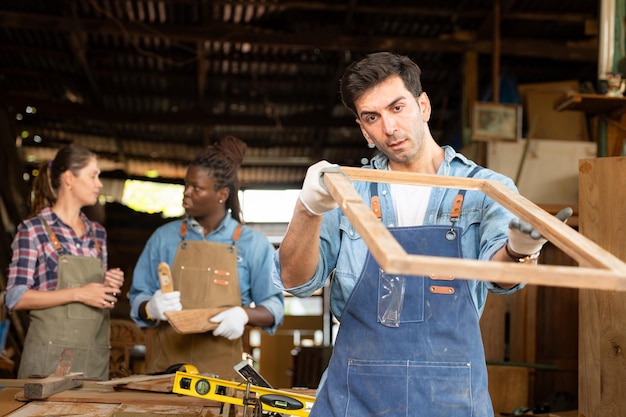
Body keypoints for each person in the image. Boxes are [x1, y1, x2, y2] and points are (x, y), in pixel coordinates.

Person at [273, 52, 572, 417]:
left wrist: (519, 250)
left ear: (423, 105)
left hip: (450, 395)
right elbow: (293, 280)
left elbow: (502, 278)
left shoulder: (484, 188)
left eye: (397, 108)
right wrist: (308, 208)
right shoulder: (346, 192)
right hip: (357, 395)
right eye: (373, 117)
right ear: (363, 129)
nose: (389, 127)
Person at [129, 135, 284, 380]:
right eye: (186, 184)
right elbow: (138, 296)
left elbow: (274, 309)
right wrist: (150, 307)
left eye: (197, 188)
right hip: (163, 376)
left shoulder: (252, 244)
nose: (186, 193)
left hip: (222, 382)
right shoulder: (164, 238)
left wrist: (243, 314)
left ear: (221, 194)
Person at [5, 144, 124, 380]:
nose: (99, 183)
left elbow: (97, 297)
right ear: (69, 178)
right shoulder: (34, 230)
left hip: (93, 362)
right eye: (93, 175)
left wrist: (110, 284)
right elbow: (15, 297)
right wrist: (79, 293)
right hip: (47, 362)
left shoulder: (97, 233)